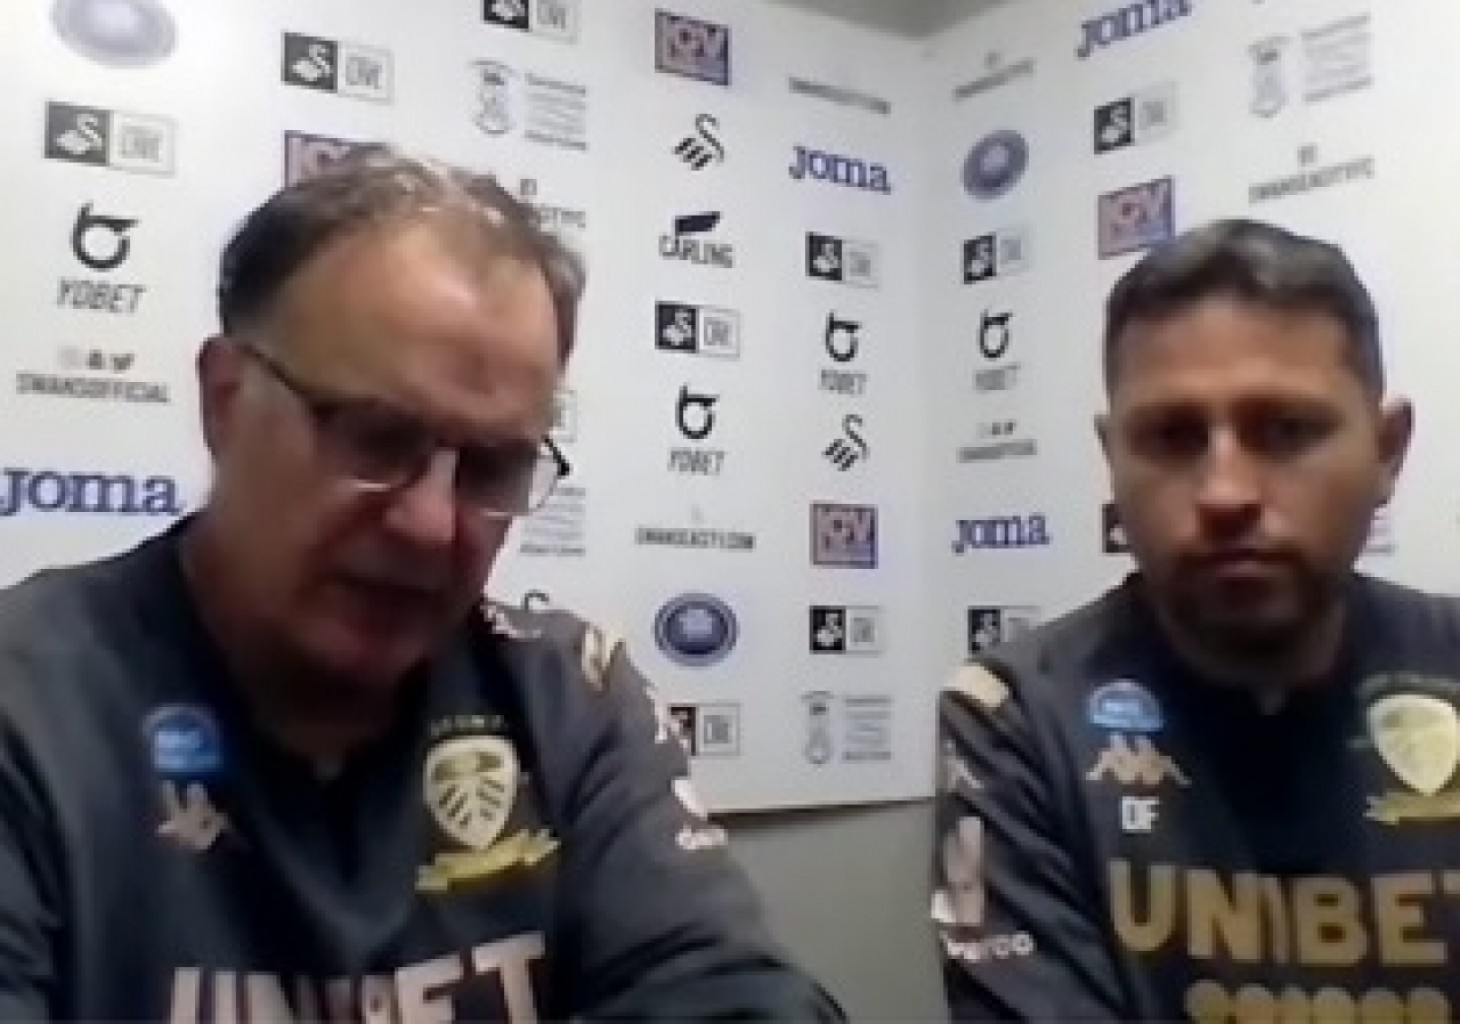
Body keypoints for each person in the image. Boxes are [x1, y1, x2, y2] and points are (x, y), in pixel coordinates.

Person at [0, 148, 844, 1021]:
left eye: (492, 466)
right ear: (225, 400)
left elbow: (735, 998)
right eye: (374, 437)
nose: (432, 525)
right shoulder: (29, 706)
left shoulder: (568, 699)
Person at [934, 218, 1460, 1021]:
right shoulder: (1016, 719)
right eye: (1173, 437)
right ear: (1112, 459)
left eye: (1285, 431)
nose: (1225, 493)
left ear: (1387, 450)